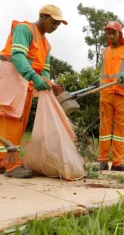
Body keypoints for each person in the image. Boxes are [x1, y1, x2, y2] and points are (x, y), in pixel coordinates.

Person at [0, 5, 67, 178]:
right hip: (11, 80)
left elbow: (44, 72)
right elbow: (18, 56)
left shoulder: (46, 45)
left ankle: (3, 161)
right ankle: (12, 165)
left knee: (19, 124)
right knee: (10, 120)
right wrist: (33, 76)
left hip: (26, 85)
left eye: (59, 24)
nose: (56, 26)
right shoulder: (24, 29)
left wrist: (50, 85)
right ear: (43, 16)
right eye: (54, 22)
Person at [96, 21, 124, 172]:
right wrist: (98, 81)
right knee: (104, 129)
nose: (110, 35)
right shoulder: (104, 52)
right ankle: (102, 161)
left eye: (113, 32)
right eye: (108, 33)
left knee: (121, 130)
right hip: (106, 94)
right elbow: (105, 71)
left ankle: (117, 162)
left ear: (120, 34)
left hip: (122, 94)